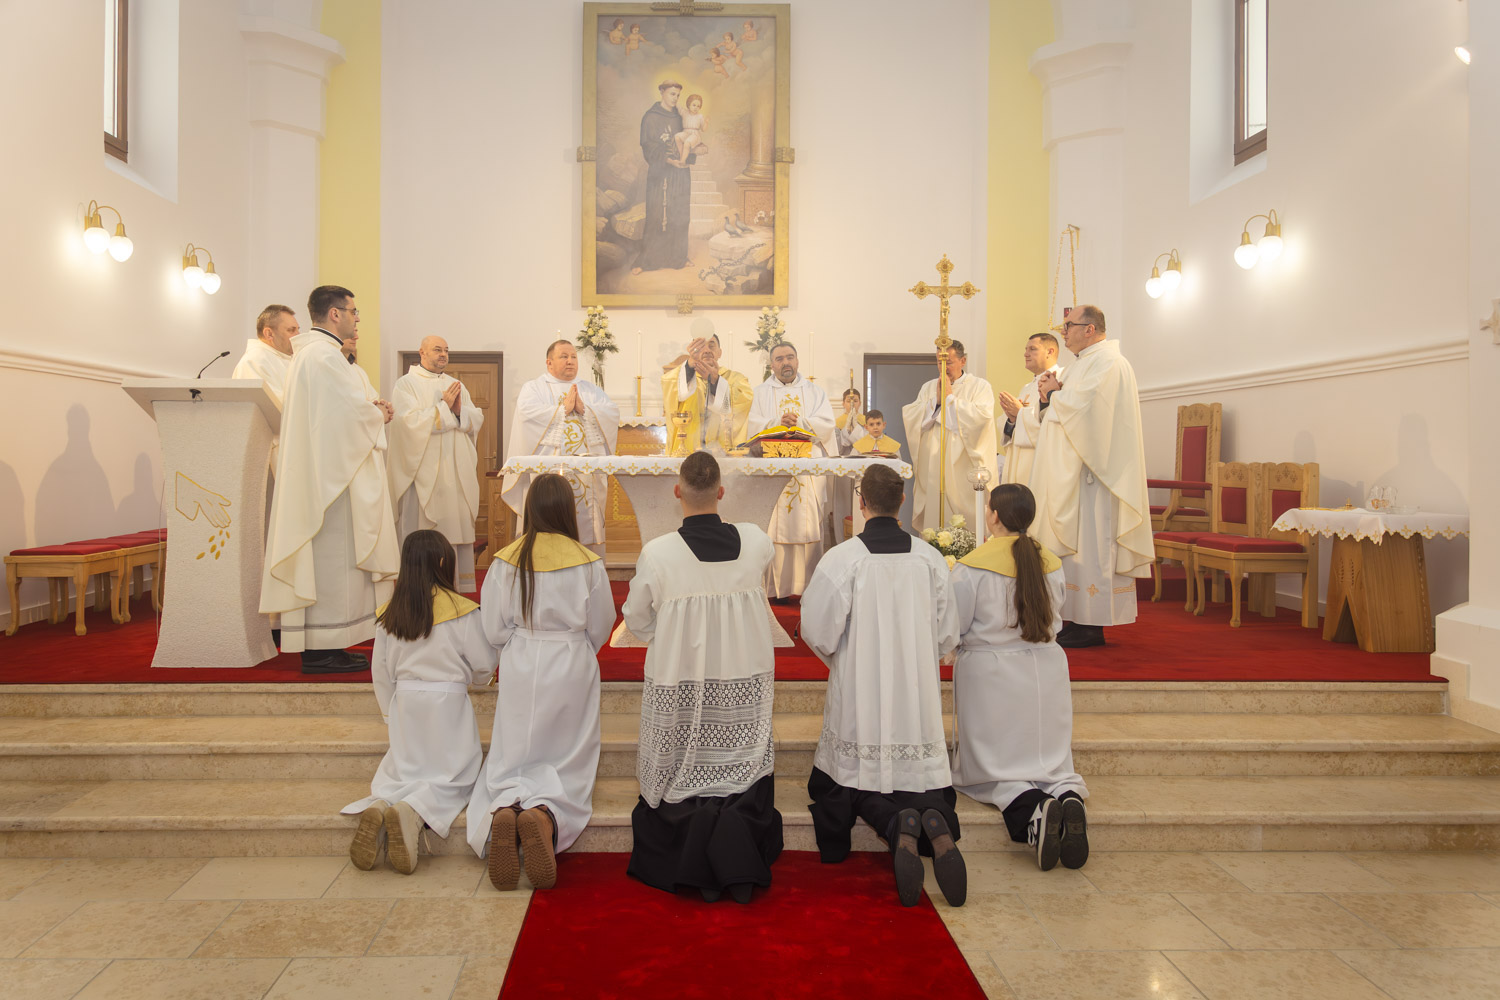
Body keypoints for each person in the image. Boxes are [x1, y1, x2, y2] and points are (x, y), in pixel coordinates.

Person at [801, 465, 965, 907]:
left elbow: (817, 630)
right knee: (921, 784)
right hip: (915, 700)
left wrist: (846, 658)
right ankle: (935, 823)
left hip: (861, 697)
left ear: (861, 503)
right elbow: (947, 634)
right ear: (902, 502)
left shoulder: (843, 559)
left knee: (848, 783)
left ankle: (897, 825)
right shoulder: (929, 559)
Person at [622, 452, 782, 902]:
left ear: (678, 491)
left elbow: (636, 619)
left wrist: (670, 636)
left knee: (677, 778)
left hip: (682, 680)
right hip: (742, 677)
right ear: (721, 491)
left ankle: (696, 856)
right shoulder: (756, 542)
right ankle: (734, 851)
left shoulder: (658, 554)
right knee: (741, 773)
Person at [469, 473, 614, 891]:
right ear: (568, 511)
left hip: (522, 658)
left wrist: (516, 645)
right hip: (570, 659)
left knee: (515, 749)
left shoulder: (505, 560)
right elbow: (601, 623)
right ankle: (546, 814)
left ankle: (505, 807)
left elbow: (492, 627)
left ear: (529, 509)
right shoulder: (587, 562)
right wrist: (579, 648)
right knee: (569, 755)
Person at [261, 285, 399, 673]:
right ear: (335, 314)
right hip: (329, 486)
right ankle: (320, 650)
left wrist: (371, 410)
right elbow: (344, 418)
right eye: (353, 311)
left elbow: (343, 411)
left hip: (328, 475)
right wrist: (377, 414)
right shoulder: (322, 357)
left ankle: (329, 645)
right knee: (330, 565)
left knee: (334, 568)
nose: (357, 319)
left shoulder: (320, 356)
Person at [951, 484, 1088, 871]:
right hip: (1046, 669)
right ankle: (1068, 795)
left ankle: (1034, 810)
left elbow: (954, 624)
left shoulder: (973, 566)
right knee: (1049, 762)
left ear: (993, 515)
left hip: (992, 676)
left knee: (993, 769)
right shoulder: (1051, 562)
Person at [341, 529, 494, 875]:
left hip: (405, 704)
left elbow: (381, 671)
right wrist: (479, 680)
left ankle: (383, 804)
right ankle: (412, 812)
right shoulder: (463, 611)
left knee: (402, 771)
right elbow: (484, 663)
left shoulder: (389, 614)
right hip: (448, 705)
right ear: (442, 562)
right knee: (456, 776)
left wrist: (389, 712)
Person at [1028, 306, 1152, 648]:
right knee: (1078, 547)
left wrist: (1055, 394)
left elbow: (1089, 412)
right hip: (1076, 471)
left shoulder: (1109, 363)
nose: (1063, 331)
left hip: (1097, 474)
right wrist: (1050, 397)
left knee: (1094, 545)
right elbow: (1065, 409)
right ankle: (1077, 618)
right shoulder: (1082, 363)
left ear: (1090, 329)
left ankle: (1092, 624)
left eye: (1068, 325)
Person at [502, 340, 620, 556]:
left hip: (586, 474)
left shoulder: (590, 389)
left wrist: (586, 410)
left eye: (573, 356)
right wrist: (561, 410)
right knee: (548, 523)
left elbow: (612, 412)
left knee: (586, 526)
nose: (570, 361)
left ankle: (588, 571)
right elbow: (527, 414)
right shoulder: (534, 388)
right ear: (549, 362)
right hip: (548, 474)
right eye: (564, 356)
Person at [388, 336, 482, 591]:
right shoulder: (406, 385)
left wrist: (459, 412)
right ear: (422, 352)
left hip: (456, 475)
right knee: (425, 530)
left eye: (446, 350)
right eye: (437, 350)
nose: (443, 354)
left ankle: (453, 589)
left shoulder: (455, 385)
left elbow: (475, 417)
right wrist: (444, 409)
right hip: (424, 476)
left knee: (455, 528)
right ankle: (421, 589)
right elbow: (407, 423)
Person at [745, 342, 836, 598]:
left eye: (790, 357)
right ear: (771, 365)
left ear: (797, 361)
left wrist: (800, 422)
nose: (785, 362)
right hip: (773, 467)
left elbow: (828, 425)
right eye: (779, 359)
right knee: (773, 524)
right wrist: (777, 422)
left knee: (807, 523)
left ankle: (807, 587)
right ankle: (774, 589)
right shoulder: (760, 393)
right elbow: (751, 427)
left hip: (807, 467)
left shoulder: (815, 392)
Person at [901, 341, 999, 533]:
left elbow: (982, 419)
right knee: (935, 517)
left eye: (949, 363)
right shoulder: (928, 387)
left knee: (965, 523)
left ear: (963, 361)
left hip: (964, 467)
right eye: (939, 362)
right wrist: (937, 403)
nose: (943, 368)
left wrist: (950, 400)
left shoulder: (979, 386)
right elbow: (912, 415)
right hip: (934, 465)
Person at [633, 81, 696, 274]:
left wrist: (687, 157)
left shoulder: (681, 116)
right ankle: (648, 261)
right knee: (656, 214)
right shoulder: (650, 117)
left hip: (680, 173)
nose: (675, 98)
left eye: (678, 95)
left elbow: (691, 137)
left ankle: (678, 258)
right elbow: (648, 146)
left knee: (680, 214)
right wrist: (668, 160)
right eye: (672, 94)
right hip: (659, 173)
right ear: (662, 92)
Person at [661, 334, 753, 455]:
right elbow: (669, 384)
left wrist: (716, 382)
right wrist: (689, 366)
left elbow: (743, 401)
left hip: (721, 452)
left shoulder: (736, 379)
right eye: (701, 346)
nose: (706, 350)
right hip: (687, 450)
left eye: (711, 345)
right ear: (692, 350)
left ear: (720, 352)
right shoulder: (683, 376)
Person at [998, 332, 1063, 486]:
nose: (1026, 354)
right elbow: (1013, 426)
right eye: (1026, 349)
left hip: (1042, 466)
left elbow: (1055, 423)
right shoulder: (1027, 388)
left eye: (1032, 349)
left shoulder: (1060, 379)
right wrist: (1011, 419)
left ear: (1050, 351)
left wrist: (1020, 413)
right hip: (1021, 464)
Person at [233, 304, 299, 408]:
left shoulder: (285, 358)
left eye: (298, 329)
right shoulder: (254, 361)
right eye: (291, 330)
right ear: (269, 334)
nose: (298, 335)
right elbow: (272, 405)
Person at [674, 94, 708, 162]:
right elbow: (678, 106)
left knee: (687, 142)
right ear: (689, 104)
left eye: (698, 106)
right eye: (694, 105)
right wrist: (675, 98)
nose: (696, 108)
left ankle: (682, 161)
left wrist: (706, 122)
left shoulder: (700, 116)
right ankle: (681, 156)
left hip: (695, 135)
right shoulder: (684, 112)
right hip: (686, 132)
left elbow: (703, 129)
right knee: (677, 137)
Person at [833, 388, 866, 456]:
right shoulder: (837, 423)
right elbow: (836, 447)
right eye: (848, 401)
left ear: (860, 403)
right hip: (843, 456)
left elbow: (867, 443)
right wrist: (846, 430)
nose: (852, 404)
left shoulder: (866, 421)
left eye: (855, 401)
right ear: (843, 404)